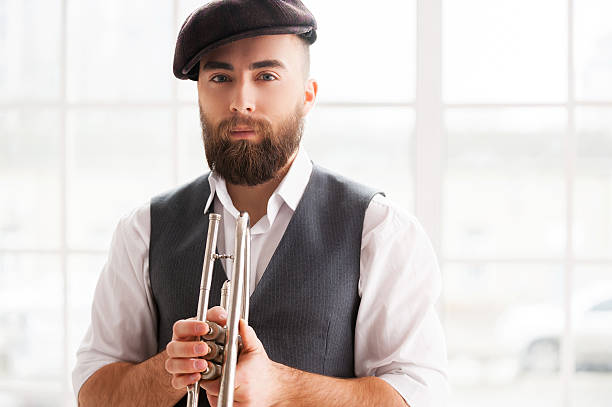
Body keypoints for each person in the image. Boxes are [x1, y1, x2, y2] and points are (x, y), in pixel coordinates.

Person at [72, 1, 449, 406]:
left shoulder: (379, 229)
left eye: (266, 75)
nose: (241, 101)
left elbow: (419, 397)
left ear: (308, 95)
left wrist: (283, 386)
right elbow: (94, 392)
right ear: (199, 93)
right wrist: (168, 372)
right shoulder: (143, 229)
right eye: (220, 77)